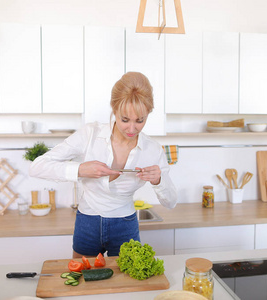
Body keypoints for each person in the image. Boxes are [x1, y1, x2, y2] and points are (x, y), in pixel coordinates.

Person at [29, 72, 177, 257]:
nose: (132, 129)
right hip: (87, 222)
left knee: (127, 284)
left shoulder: (153, 150)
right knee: (84, 280)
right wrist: (81, 169)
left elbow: (170, 202)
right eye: (125, 120)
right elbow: (37, 166)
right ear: (114, 109)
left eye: (140, 121)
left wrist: (159, 180)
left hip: (125, 225)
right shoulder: (90, 134)